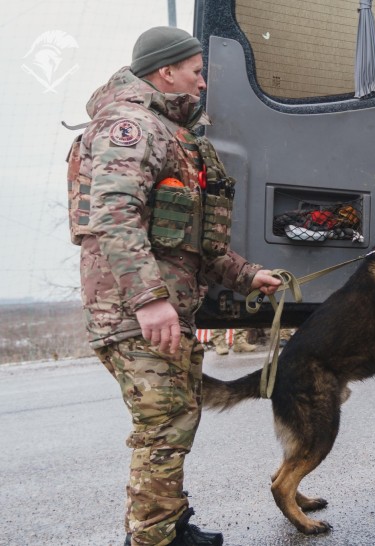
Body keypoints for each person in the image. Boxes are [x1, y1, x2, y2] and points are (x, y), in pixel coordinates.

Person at [69, 27, 281, 546]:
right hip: (136, 310)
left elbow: (190, 240)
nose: (202, 83)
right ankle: (154, 539)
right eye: (195, 71)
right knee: (163, 424)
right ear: (166, 73)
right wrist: (150, 300)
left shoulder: (171, 135)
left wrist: (246, 274)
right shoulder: (133, 128)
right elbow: (115, 217)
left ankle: (167, 522)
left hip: (162, 306)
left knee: (177, 418)